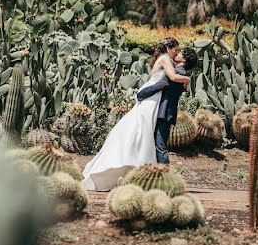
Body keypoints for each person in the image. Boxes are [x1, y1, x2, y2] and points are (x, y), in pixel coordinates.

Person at [81, 38, 191, 191]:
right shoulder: (166, 59)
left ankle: (143, 172)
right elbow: (171, 79)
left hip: (154, 99)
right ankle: (145, 172)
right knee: (142, 133)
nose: (176, 52)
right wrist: (187, 78)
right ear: (168, 49)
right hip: (151, 99)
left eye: (178, 51)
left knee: (143, 134)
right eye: (175, 50)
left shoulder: (167, 60)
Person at [137, 46, 200, 164]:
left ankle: (165, 174)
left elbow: (160, 85)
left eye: (181, 53)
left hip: (164, 112)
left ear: (184, 60)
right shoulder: (182, 74)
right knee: (158, 143)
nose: (177, 53)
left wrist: (141, 93)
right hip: (167, 112)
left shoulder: (178, 73)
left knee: (160, 145)